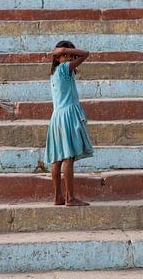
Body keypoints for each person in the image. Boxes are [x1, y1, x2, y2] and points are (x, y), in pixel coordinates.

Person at [44, 40, 94, 206]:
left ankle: (58, 197)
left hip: (57, 117)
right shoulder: (64, 68)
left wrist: (63, 52)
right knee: (68, 157)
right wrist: (64, 50)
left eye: (70, 55)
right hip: (67, 115)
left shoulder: (54, 73)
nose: (69, 57)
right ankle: (70, 198)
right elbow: (86, 54)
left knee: (57, 159)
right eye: (64, 55)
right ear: (58, 58)